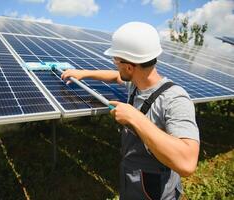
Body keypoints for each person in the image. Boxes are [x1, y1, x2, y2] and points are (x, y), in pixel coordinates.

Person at [61, 22, 200, 200]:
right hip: (131, 177)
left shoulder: (175, 99)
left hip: (154, 190)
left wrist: (135, 118)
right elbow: (115, 76)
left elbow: (187, 163)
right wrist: (83, 73)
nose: (114, 64)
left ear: (129, 67)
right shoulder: (136, 82)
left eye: (116, 60)